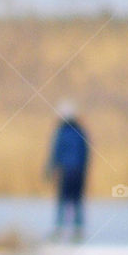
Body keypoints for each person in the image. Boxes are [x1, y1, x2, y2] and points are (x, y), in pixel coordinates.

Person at [46, 100, 90, 241]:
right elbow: (86, 152)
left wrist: (50, 168)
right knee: (77, 200)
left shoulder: (61, 132)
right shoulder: (81, 131)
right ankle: (78, 231)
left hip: (66, 171)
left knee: (62, 200)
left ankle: (58, 230)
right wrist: (84, 169)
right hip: (78, 171)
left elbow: (56, 151)